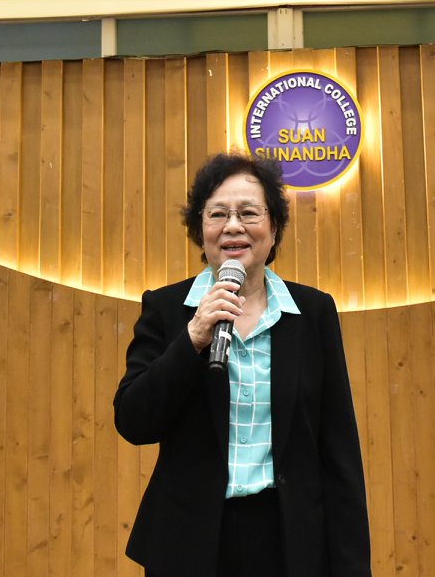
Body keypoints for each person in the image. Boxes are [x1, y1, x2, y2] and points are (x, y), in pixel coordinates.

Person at [114, 151, 371, 576]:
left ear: (274, 227)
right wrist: (193, 338)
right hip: (188, 546)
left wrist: (352, 566)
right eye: (218, 214)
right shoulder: (167, 308)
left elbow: (338, 448)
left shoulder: (313, 312)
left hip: (290, 544)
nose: (233, 226)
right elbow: (133, 421)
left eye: (249, 213)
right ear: (200, 229)